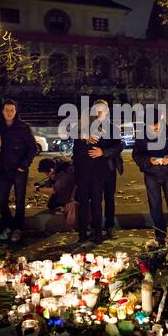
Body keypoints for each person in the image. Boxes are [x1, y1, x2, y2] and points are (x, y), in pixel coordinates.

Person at [132, 108, 168, 246]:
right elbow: (137, 155)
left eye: (157, 124)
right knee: (155, 206)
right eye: (151, 125)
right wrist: (149, 160)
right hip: (151, 174)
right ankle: (160, 235)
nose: (155, 127)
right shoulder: (142, 135)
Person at [73, 100, 123, 244]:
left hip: (108, 169)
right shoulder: (85, 128)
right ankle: (89, 231)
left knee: (108, 199)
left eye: (103, 109)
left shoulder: (113, 128)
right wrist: (84, 139)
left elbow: (119, 146)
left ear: (107, 111)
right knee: (92, 201)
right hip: (90, 172)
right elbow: (77, 151)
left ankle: (108, 227)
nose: (100, 112)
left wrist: (104, 152)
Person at [0, 99, 37, 242]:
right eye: (6, 110)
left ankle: (18, 229)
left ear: (15, 111)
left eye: (12, 110)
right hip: (3, 170)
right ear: (2, 111)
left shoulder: (23, 127)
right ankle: (9, 226)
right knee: (1, 201)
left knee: (20, 201)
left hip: (19, 170)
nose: (9, 113)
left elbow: (33, 148)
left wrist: (24, 164)